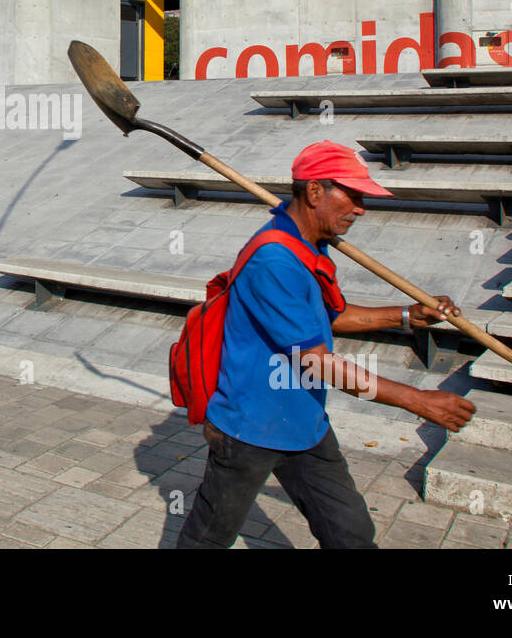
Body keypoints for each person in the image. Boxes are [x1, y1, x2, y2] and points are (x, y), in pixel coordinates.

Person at [175, 140, 476, 549]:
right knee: (207, 539)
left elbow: (328, 317)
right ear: (315, 191)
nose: (360, 209)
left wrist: (406, 316)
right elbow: (316, 362)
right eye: (352, 196)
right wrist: (415, 400)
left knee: (350, 533)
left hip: (303, 423)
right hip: (250, 429)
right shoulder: (275, 260)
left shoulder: (303, 245)